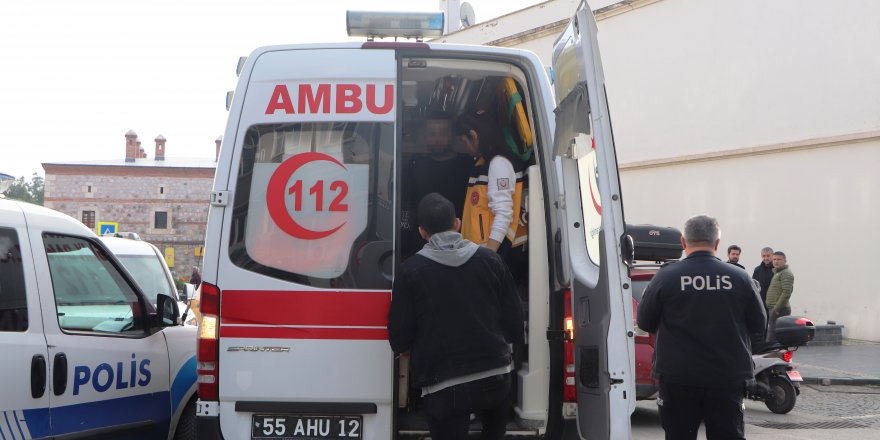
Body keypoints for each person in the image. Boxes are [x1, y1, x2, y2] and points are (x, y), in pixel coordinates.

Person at [388, 193, 524, 440]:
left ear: (421, 232)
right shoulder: (491, 261)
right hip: (495, 379)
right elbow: (515, 324)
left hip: (443, 388)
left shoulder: (409, 272)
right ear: (457, 224)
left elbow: (399, 339)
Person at [637, 215, 766, 440]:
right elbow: (759, 325)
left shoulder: (665, 277)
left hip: (678, 377)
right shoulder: (740, 277)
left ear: (683, 242)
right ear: (717, 243)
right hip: (726, 377)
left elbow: (645, 322)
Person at [455, 109, 527, 255]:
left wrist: (490, 255)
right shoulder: (483, 163)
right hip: (479, 253)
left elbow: (503, 213)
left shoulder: (498, 164)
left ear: (474, 136)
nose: (465, 148)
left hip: (494, 253)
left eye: (464, 141)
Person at [402, 117, 473, 258]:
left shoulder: (467, 164)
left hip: (460, 242)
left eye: (442, 133)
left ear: (451, 135)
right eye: (432, 133)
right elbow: (405, 202)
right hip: (421, 241)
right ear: (425, 137)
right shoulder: (415, 165)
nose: (437, 139)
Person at [765, 251, 794, 342]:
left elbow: (787, 292)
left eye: (779, 259)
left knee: (773, 337)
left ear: (785, 261)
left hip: (779, 310)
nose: (776, 261)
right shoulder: (778, 272)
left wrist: (777, 309)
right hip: (774, 309)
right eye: (774, 259)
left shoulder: (785, 273)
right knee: (773, 335)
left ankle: (774, 355)